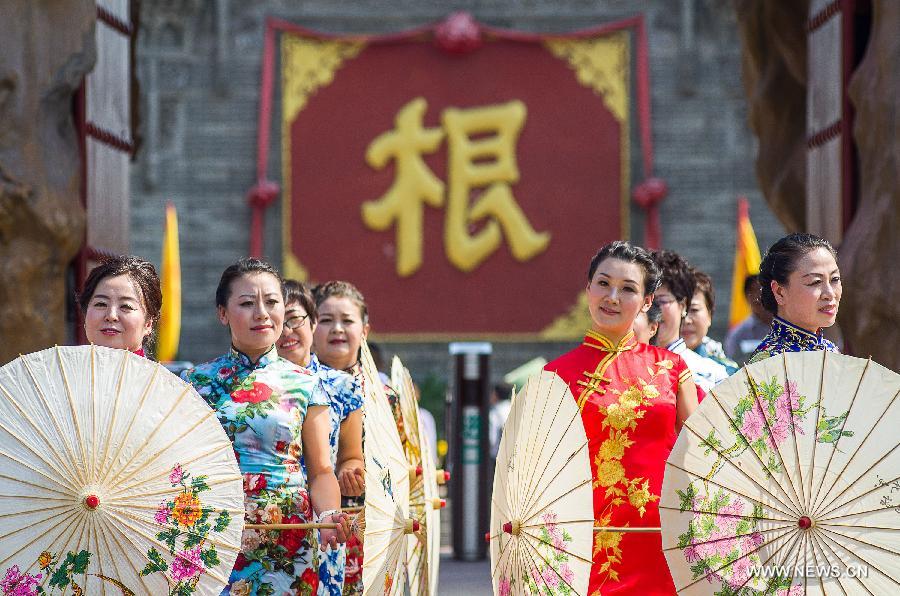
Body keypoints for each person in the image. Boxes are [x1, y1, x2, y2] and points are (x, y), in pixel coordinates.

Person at [181, 258, 349, 594]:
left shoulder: (306, 383)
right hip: (215, 531)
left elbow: (320, 471)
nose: (262, 313)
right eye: (247, 303)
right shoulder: (196, 382)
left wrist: (329, 513)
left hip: (288, 536)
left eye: (271, 302)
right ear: (223, 313)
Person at [544, 240, 698, 594]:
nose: (612, 296)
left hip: (665, 539)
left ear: (647, 302)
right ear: (588, 290)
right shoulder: (555, 376)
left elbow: (702, 451)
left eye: (627, 288)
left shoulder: (672, 368)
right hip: (587, 544)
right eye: (603, 283)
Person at [277, 279, 362, 596]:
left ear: (312, 322)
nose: (287, 331)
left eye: (295, 319)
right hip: (267, 520)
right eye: (279, 321)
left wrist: (350, 470)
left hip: (323, 521)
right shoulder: (247, 387)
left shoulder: (341, 386)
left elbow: (351, 454)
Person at [749, 233, 841, 362]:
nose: (830, 293)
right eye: (815, 282)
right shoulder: (769, 362)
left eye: (835, 279)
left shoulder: (830, 350)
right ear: (780, 292)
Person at [652, 250, 729, 392]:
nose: (653, 309)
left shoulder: (713, 377)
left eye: (662, 301)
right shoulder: (620, 368)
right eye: (646, 301)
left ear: (682, 305)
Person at [78, 255, 162, 355]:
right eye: (101, 304)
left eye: (126, 306)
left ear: (148, 324)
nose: (111, 316)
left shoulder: (154, 371)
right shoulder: (62, 368)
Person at [682, 270, 738, 374]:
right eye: (680, 310)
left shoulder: (728, 372)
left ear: (710, 315)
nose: (686, 320)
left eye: (694, 310)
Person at [724, 275, 774, 363]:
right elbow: (731, 365)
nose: (757, 296)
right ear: (746, 296)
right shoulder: (737, 334)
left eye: (762, 290)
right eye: (752, 291)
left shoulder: (787, 326)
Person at [488, 382, 513, 459]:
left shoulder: (495, 412)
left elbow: (492, 438)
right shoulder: (513, 407)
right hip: (514, 454)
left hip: (498, 455)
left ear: (495, 394)